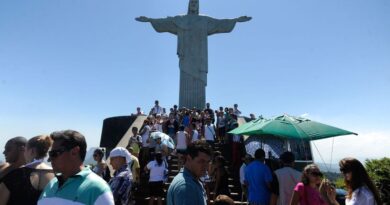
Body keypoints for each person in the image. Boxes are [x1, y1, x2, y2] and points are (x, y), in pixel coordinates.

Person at [38, 130, 114, 205]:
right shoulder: (51, 184)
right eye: (50, 154)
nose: (50, 159)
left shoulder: (98, 189)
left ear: (74, 152)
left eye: (54, 154)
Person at [0, 135, 54, 205]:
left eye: (25, 150)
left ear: (31, 151)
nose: (4, 152)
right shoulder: (57, 176)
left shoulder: (14, 176)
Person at [167, 141, 212, 205]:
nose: (206, 166)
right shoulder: (187, 186)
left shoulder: (193, 180)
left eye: (208, 162)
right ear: (189, 158)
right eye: (201, 161)